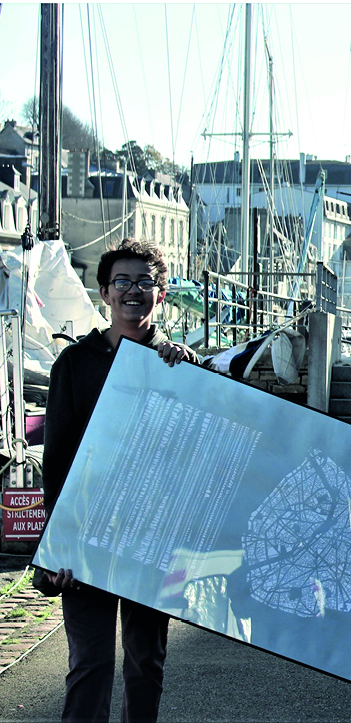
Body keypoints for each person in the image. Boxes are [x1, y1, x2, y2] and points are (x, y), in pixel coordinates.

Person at [40, 239, 199, 723]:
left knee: (145, 665)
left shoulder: (180, 365)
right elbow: (57, 461)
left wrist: (189, 370)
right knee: (89, 664)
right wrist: (57, 547)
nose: (133, 291)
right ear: (105, 293)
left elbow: (199, 459)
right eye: (122, 282)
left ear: (161, 294)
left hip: (152, 538)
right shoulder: (73, 364)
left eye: (145, 282)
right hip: (87, 534)